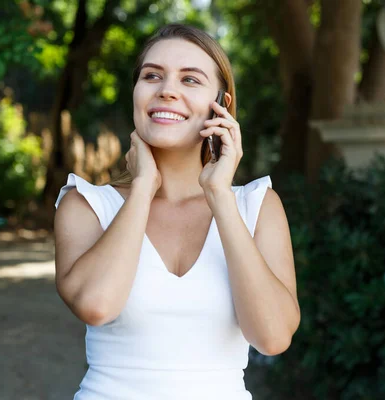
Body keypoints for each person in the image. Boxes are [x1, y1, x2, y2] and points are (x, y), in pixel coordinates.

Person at [53, 23, 300, 400]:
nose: (167, 90)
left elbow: (272, 337)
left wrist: (219, 195)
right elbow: (97, 306)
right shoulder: (86, 204)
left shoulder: (257, 205)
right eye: (152, 76)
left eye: (190, 79)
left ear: (221, 104)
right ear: (137, 93)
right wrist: (141, 188)